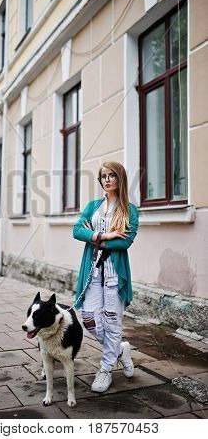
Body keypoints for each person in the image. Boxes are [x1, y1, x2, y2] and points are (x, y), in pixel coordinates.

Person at [73, 161, 139, 393]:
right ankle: (120, 350)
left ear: (120, 178)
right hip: (92, 270)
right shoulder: (93, 206)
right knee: (89, 319)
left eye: (112, 175)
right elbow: (76, 231)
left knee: (112, 321)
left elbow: (126, 241)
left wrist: (95, 237)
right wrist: (107, 234)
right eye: (103, 176)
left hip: (113, 272)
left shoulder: (129, 210)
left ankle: (105, 369)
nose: (107, 180)